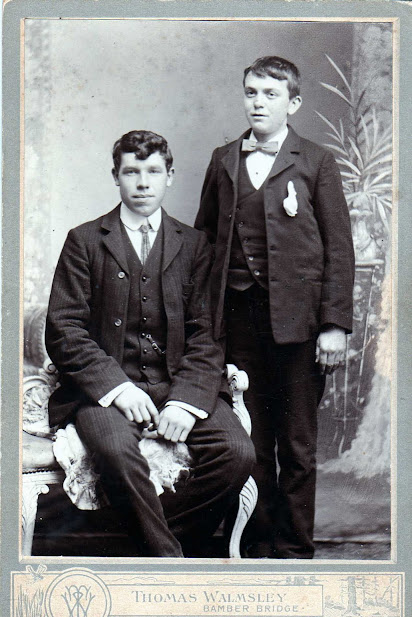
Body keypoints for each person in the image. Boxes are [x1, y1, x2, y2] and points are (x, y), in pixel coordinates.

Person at [45, 129, 255, 558]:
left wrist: (185, 403)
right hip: (105, 394)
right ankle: (169, 563)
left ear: (169, 176)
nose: (143, 183)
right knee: (117, 453)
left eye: (153, 172)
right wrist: (118, 389)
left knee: (237, 454)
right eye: (131, 172)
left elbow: (207, 334)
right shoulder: (84, 240)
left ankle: (142, 545)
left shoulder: (194, 245)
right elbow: (64, 330)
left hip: (178, 384)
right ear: (115, 177)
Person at [195, 56, 355, 559]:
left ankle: (294, 548)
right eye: (251, 93)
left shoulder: (316, 161)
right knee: (253, 440)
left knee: (298, 443)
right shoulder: (224, 159)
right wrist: (205, 321)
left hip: (300, 325)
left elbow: (339, 248)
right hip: (238, 321)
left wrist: (333, 325)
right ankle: (254, 542)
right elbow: (204, 241)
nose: (258, 103)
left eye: (270, 94)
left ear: (294, 103)